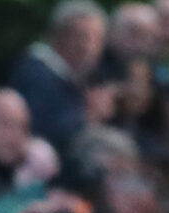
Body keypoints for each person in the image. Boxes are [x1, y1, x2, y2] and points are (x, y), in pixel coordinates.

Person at [9, 1, 107, 153]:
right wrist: (87, 116)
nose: (89, 47)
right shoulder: (36, 74)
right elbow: (40, 131)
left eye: (97, 38)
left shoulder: (78, 78)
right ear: (58, 35)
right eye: (82, 36)